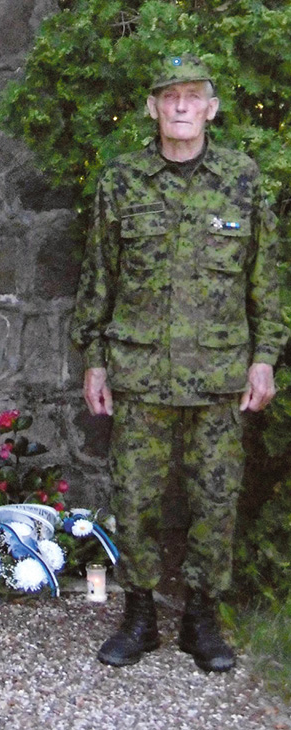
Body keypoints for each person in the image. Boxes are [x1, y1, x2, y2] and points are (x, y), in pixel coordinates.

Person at [71, 54, 286, 673]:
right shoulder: (121, 181)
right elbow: (100, 278)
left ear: (211, 109)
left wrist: (265, 358)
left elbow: (266, 282)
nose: (182, 106)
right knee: (135, 498)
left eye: (193, 96)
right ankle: (139, 616)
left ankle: (201, 619)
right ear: (153, 108)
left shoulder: (242, 180)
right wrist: (94, 360)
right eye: (170, 96)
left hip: (219, 381)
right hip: (140, 377)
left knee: (215, 503)